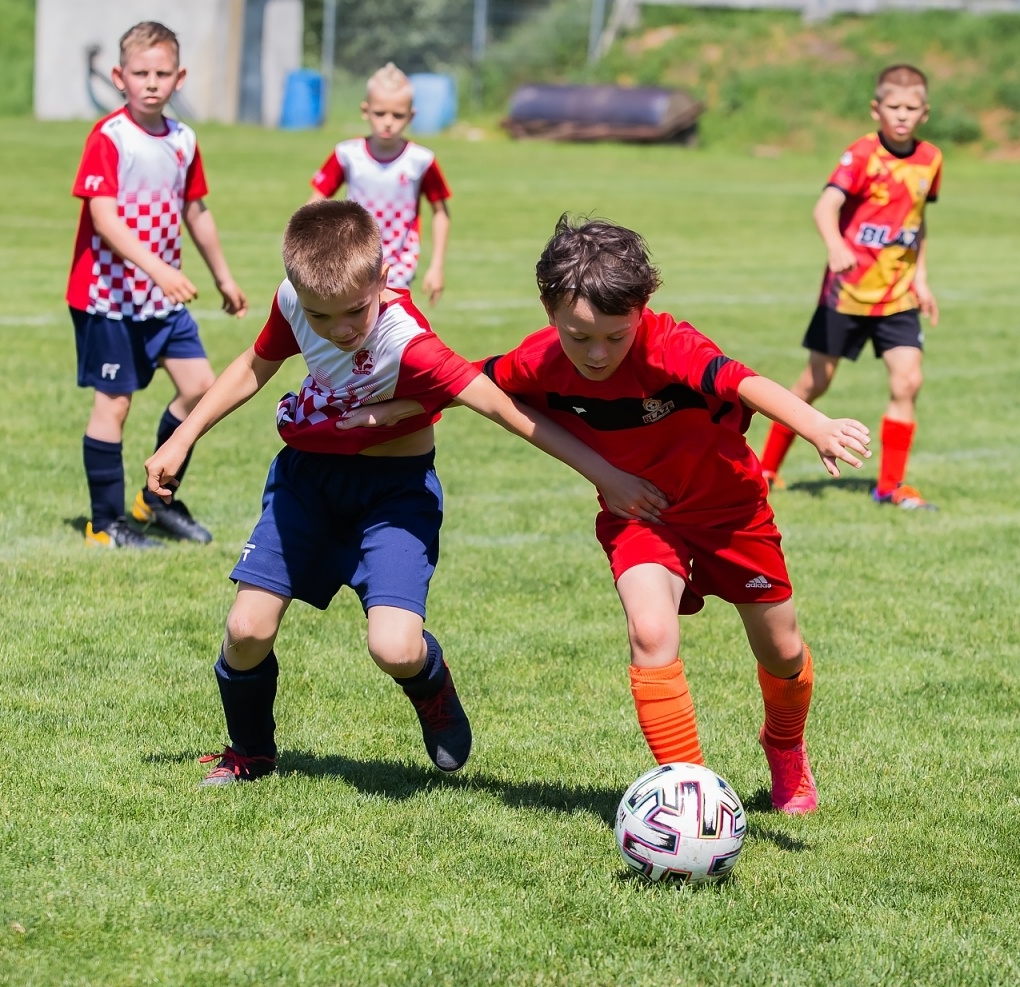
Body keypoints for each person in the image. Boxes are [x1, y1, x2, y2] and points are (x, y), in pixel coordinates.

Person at [143, 202, 666, 787]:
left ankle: (431, 687)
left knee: (394, 647)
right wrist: (183, 437)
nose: (340, 329)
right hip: (306, 485)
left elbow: (506, 410)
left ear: (383, 279)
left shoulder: (409, 344)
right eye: (321, 316)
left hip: (393, 497)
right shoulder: (294, 301)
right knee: (246, 631)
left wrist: (605, 475)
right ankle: (251, 752)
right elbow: (253, 366)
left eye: (354, 311)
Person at [480, 217, 871, 813]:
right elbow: (469, 385)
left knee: (783, 651)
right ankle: (688, 795)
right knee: (651, 631)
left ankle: (785, 748)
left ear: (642, 307)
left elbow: (743, 382)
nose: (597, 353)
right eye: (578, 336)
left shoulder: (670, 345)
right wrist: (385, 407)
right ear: (548, 311)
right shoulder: (539, 360)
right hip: (642, 516)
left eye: (615, 336)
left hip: (731, 513)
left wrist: (815, 425)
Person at [66, 21, 248, 549]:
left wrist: (224, 277)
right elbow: (105, 219)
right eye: (140, 73)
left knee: (200, 390)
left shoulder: (184, 140)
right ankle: (105, 524)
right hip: (110, 299)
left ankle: (155, 501)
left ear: (179, 77)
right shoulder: (109, 137)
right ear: (120, 77)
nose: (151, 82)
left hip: (159, 301)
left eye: (162, 73)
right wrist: (161, 270)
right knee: (114, 403)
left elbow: (197, 211)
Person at [757, 64, 942, 511]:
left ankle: (890, 488)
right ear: (876, 109)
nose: (901, 115)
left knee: (908, 381)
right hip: (847, 293)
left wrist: (921, 277)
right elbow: (826, 207)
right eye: (893, 107)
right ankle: (764, 470)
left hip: (897, 296)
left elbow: (918, 222)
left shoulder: (930, 160)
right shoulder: (861, 155)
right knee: (814, 383)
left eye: (911, 108)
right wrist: (836, 245)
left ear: (925, 112)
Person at [308, 63, 452, 306]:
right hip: (351, 258)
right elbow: (315, 204)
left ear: (411, 116)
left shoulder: (421, 161)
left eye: (397, 115)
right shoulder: (347, 154)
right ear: (365, 111)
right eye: (379, 113)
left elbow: (441, 213)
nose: (388, 122)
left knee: (388, 332)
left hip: (399, 266)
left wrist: (436, 266)